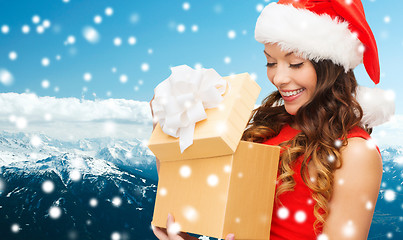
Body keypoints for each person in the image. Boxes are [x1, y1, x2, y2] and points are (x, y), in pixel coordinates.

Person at [151, 0, 391, 239]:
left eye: (295, 64)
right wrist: (168, 127)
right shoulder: (267, 128)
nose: (278, 78)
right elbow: (196, 195)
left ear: (331, 66)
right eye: (271, 62)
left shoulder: (356, 153)